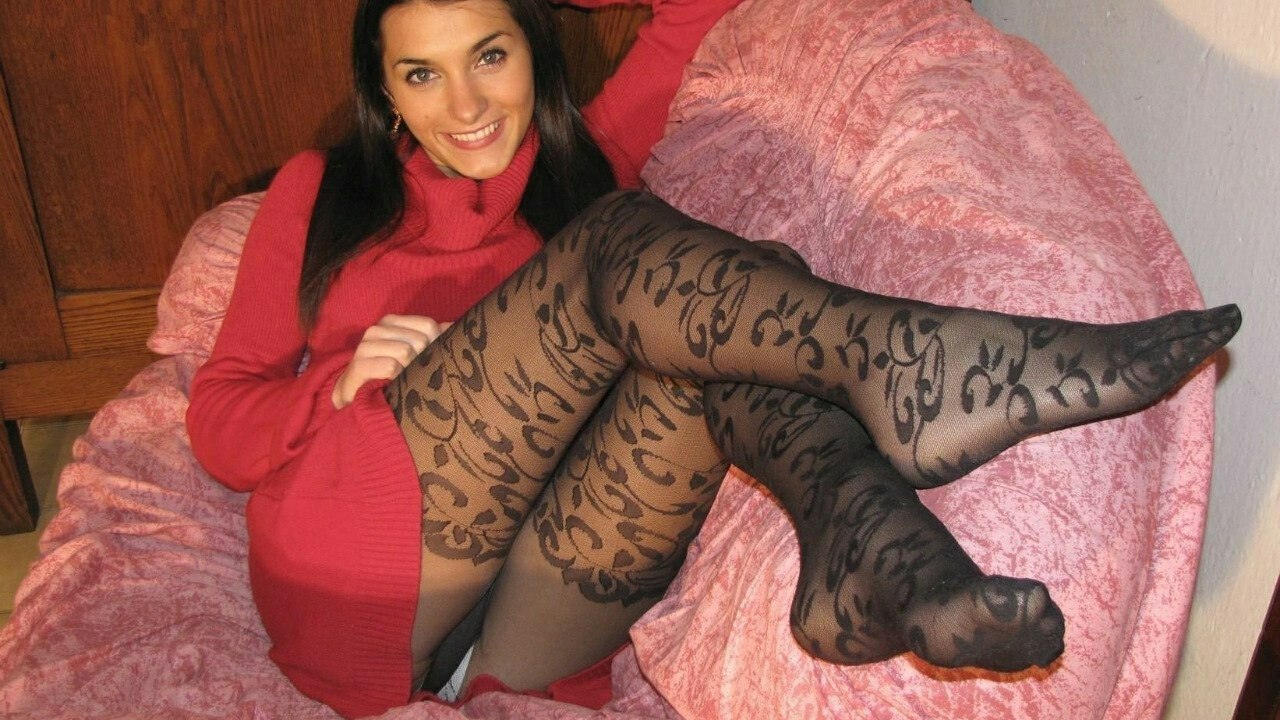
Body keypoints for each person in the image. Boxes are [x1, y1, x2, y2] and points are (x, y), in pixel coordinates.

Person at [186, 0, 1241, 718]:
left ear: (535, 50)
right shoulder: (321, 193)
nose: (463, 107)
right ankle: (897, 364)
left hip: (525, 623)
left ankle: (878, 553)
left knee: (716, 309)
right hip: (355, 561)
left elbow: (694, 9)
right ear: (386, 94)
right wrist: (336, 386)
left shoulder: (585, 162)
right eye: (422, 74)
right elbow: (219, 421)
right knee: (627, 248)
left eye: (490, 55)